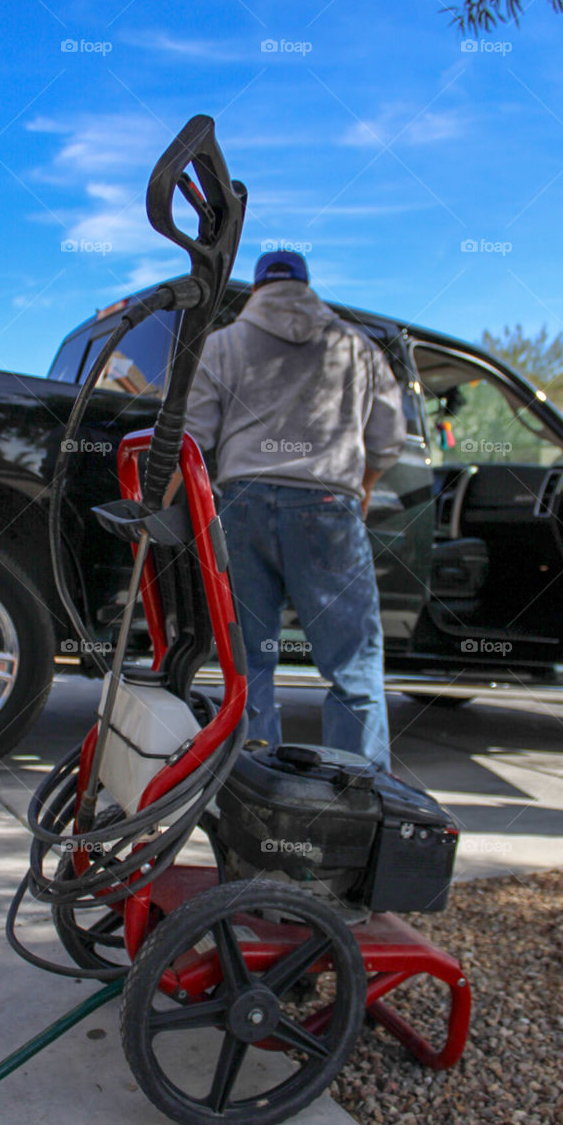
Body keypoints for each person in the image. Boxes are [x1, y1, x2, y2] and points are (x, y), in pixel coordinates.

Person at [185, 250, 406, 771]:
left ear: (257, 290)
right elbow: (389, 439)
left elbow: (193, 436)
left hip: (242, 505)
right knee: (352, 665)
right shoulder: (358, 348)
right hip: (328, 506)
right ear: (307, 286)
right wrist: (365, 485)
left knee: (250, 661)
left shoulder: (220, 346)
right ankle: (358, 793)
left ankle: (252, 785)